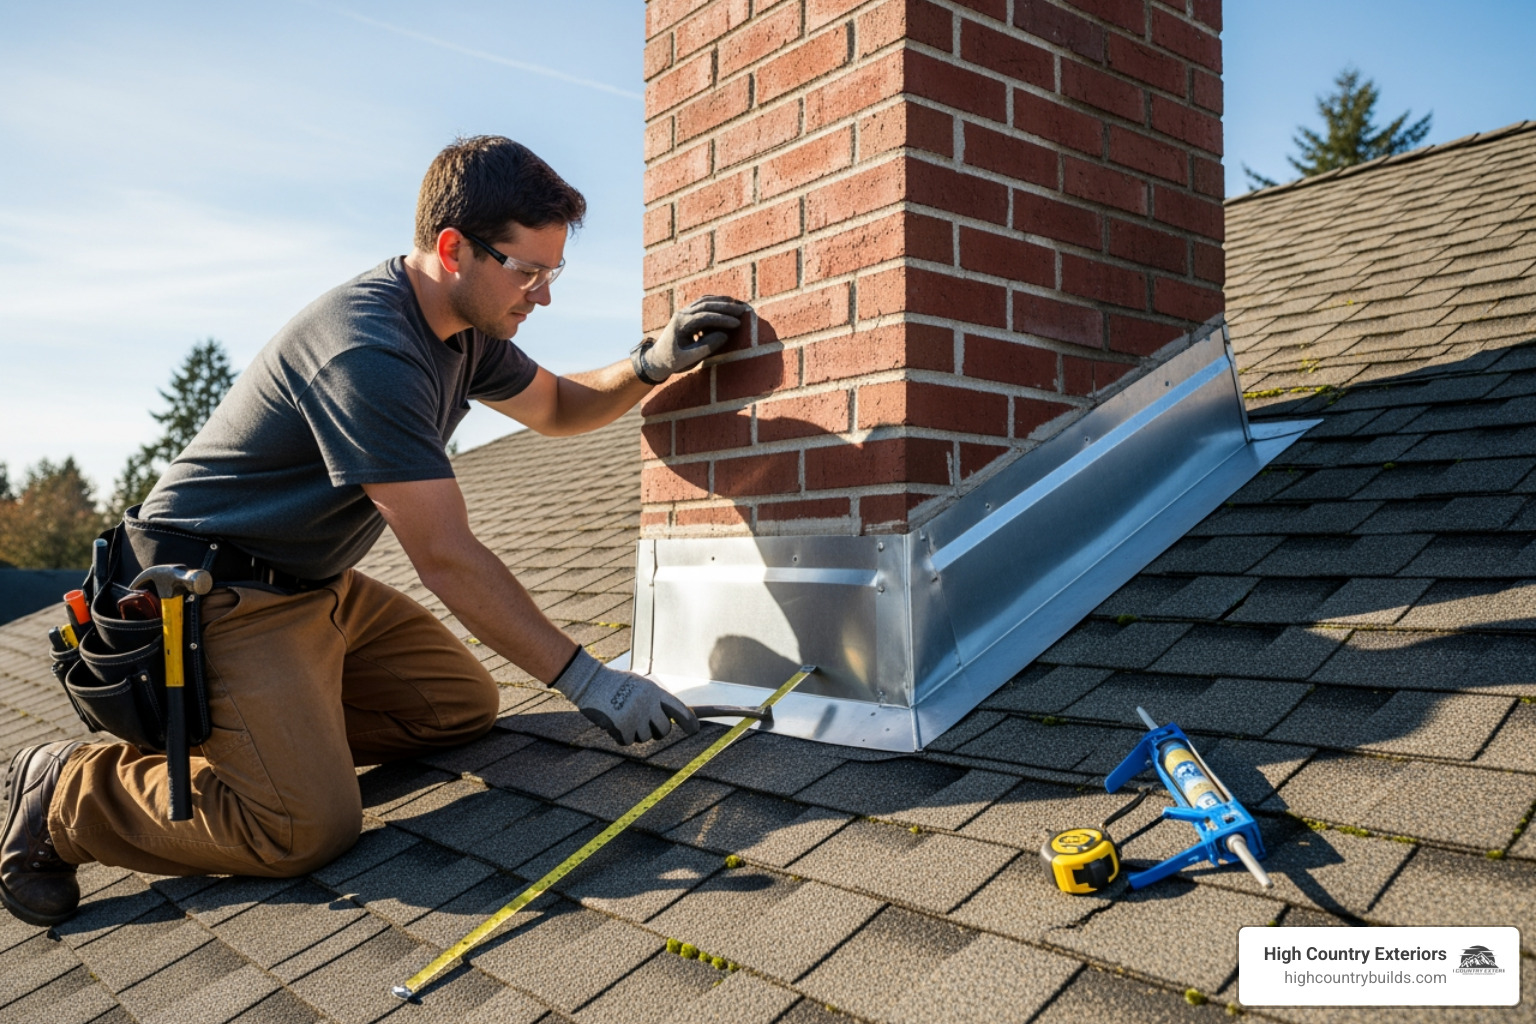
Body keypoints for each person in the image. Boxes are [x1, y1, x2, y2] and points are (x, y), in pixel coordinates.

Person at [1, 135, 750, 926]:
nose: (543, 296)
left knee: (456, 707)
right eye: (528, 271)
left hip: (314, 585)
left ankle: (254, 739)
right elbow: (447, 557)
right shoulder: (370, 349)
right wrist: (590, 681)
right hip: (215, 598)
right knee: (299, 828)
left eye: (552, 272)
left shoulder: (466, 333)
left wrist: (649, 363)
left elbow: (559, 408)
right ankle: (68, 792)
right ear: (454, 249)